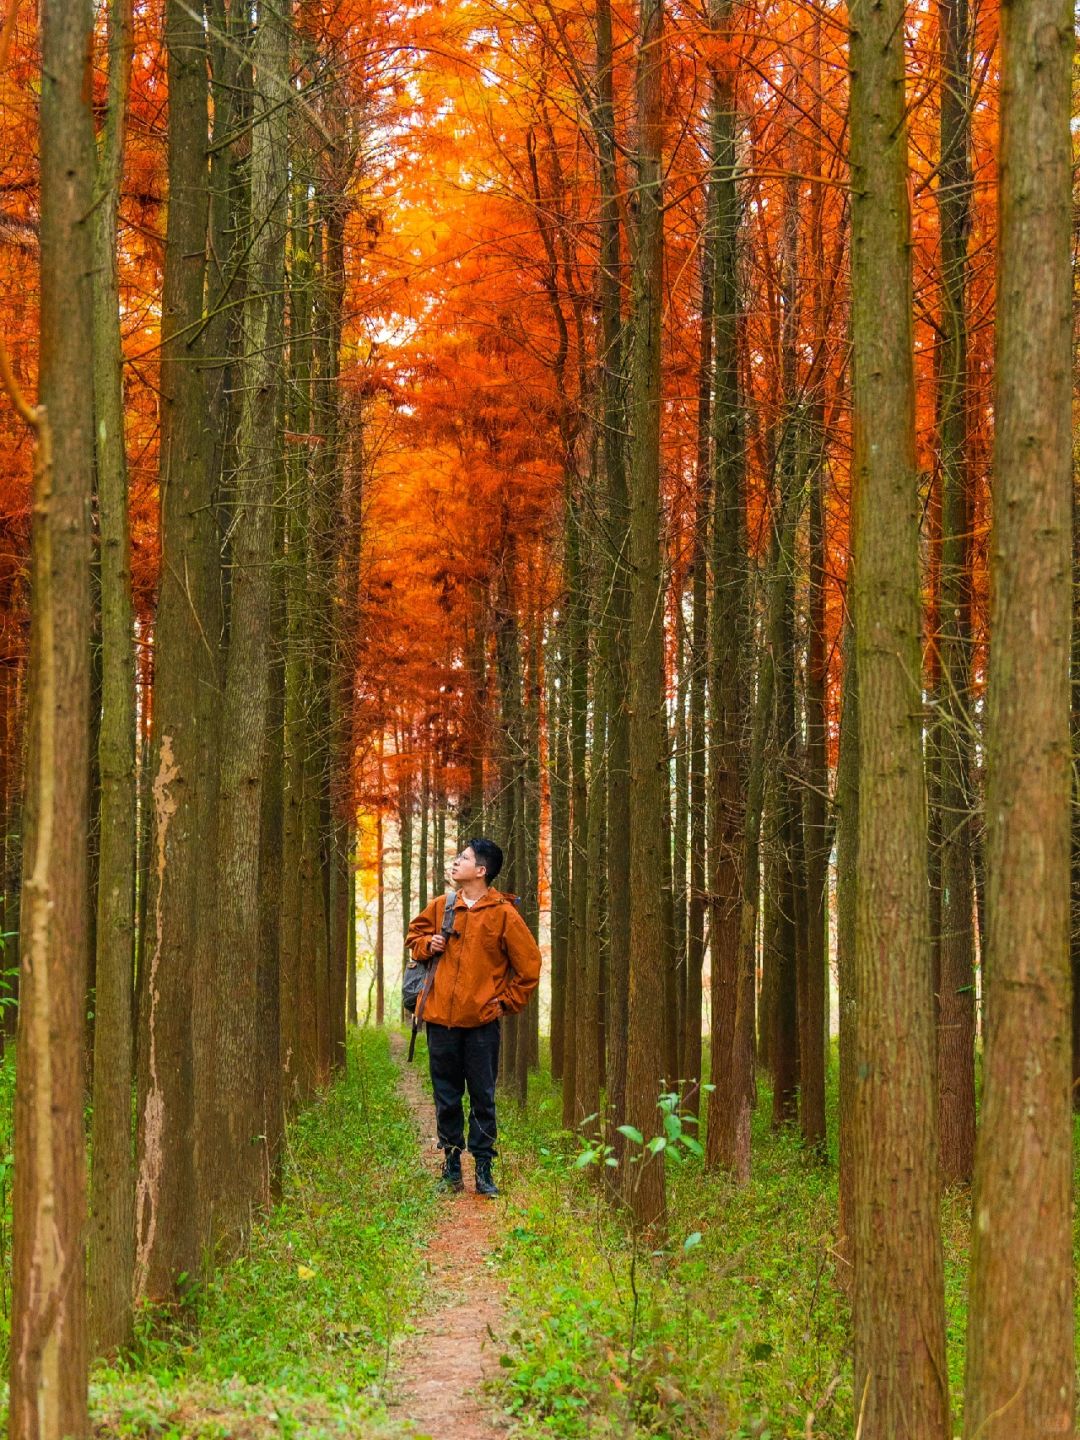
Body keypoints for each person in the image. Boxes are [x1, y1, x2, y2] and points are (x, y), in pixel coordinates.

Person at [405, 837, 542, 1197]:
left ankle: (483, 1170)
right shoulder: (441, 905)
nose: (454, 863)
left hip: (482, 1025)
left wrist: (505, 1003)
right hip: (440, 1022)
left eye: (462, 858)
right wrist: (428, 943)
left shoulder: (504, 914)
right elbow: (414, 939)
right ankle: (451, 1168)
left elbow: (529, 967)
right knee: (446, 1097)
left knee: (482, 1097)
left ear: (481, 870)